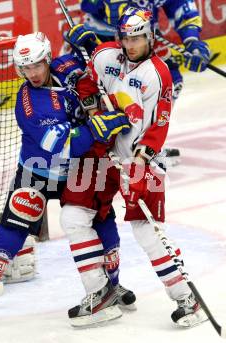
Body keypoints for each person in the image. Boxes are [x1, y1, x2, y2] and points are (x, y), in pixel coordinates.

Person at [0, 32, 134, 329]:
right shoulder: (29, 104)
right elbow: (65, 144)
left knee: (103, 221)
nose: (33, 73)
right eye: (25, 68)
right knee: (13, 230)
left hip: (80, 170)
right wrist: (99, 126)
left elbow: (110, 62)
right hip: (39, 172)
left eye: (37, 65)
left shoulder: (68, 66)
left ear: (47, 59)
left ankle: (112, 286)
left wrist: (94, 43)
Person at [60, 7, 207, 328]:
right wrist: (90, 104)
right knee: (72, 216)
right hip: (102, 155)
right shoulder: (103, 56)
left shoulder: (158, 73)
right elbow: (87, 83)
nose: (131, 44)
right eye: (126, 38)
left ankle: (187, 299)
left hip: (139, 160)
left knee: (147, 231)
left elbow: (160, 124)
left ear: (149, 37)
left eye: (137, 38)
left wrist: (140, 162)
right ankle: (99, 293)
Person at [78, 0, 211, 101]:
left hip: (144, 35)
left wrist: (192, 40)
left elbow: (181, 5)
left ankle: (144, 135)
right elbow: (86, 5)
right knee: (95, 88)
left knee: (170, 82)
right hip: (101, 37)